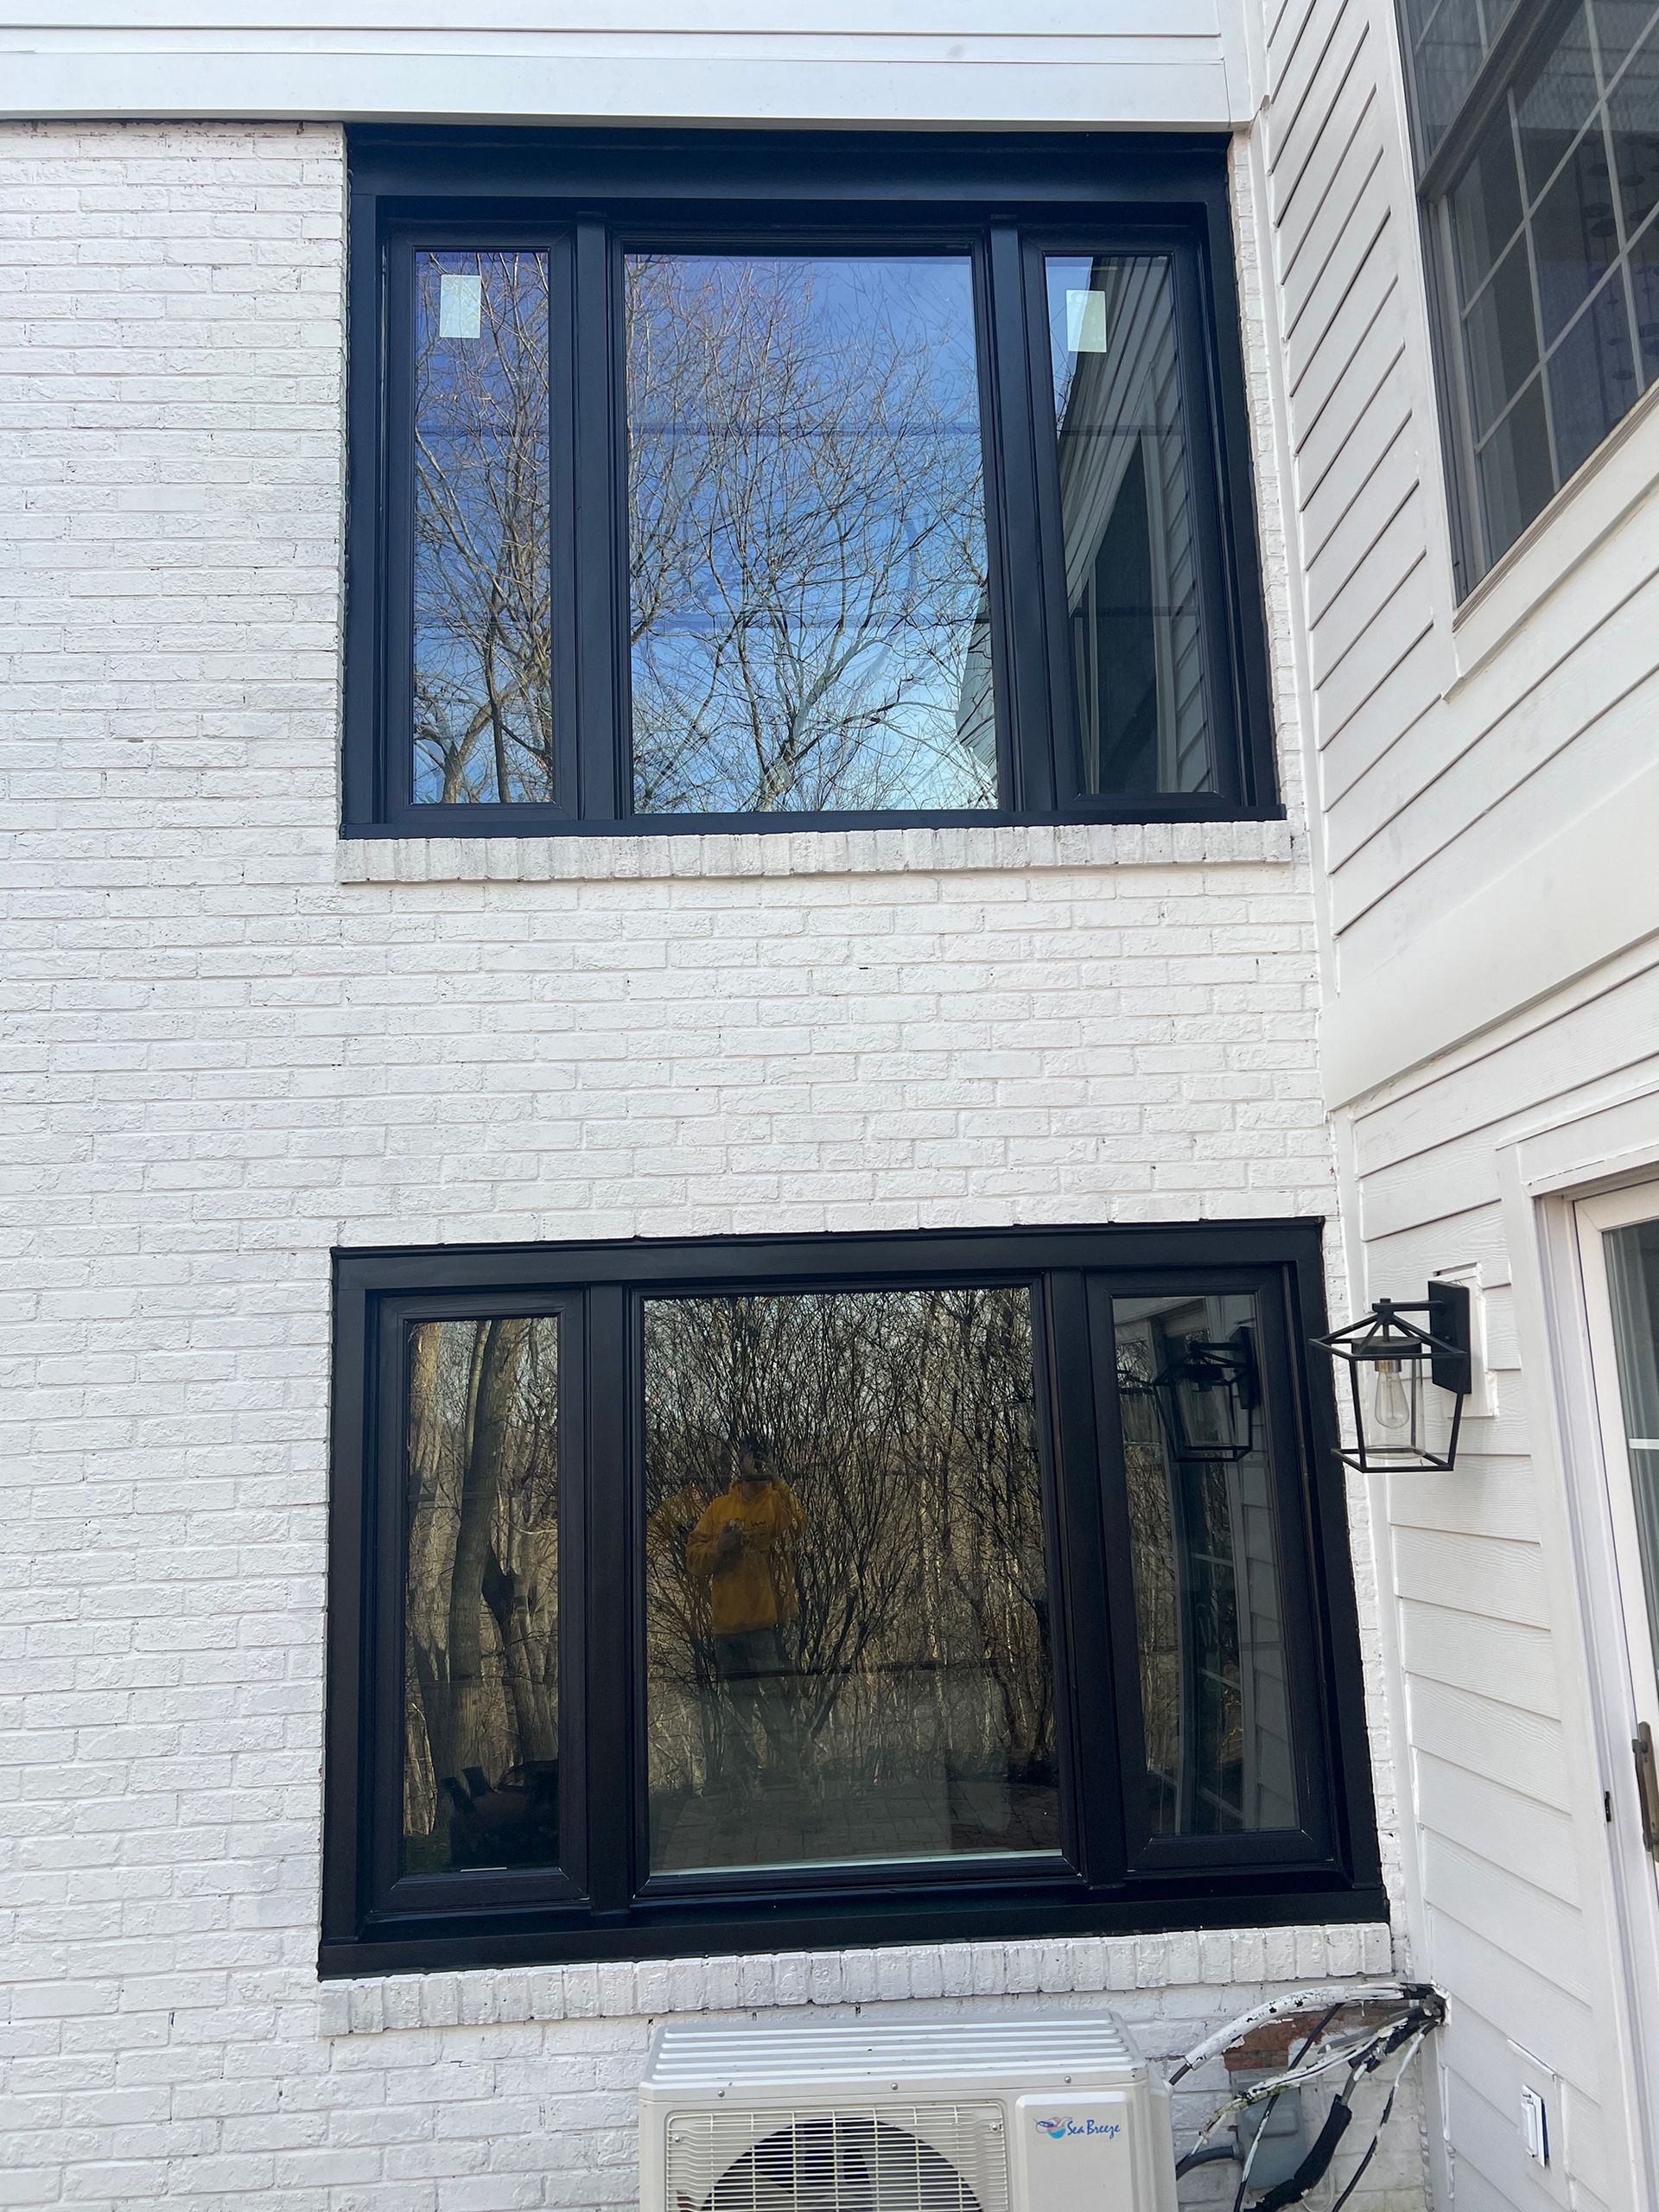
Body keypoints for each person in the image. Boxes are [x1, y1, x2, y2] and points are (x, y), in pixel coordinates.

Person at [685, 1433, 805, 1796]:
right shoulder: (719, 1509)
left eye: (762, 1459)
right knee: (737, 1721)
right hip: (727, 1631)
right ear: (738, 1462)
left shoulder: (777, 1506)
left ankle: (797, 1791)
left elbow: (800, 1528)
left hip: (769, 1627)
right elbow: (693, 1560)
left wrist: (778, 1481)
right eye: (750, 1458)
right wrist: (720, 1548)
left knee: (779, 1716)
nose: (755, 1465)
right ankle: (740, 1798)